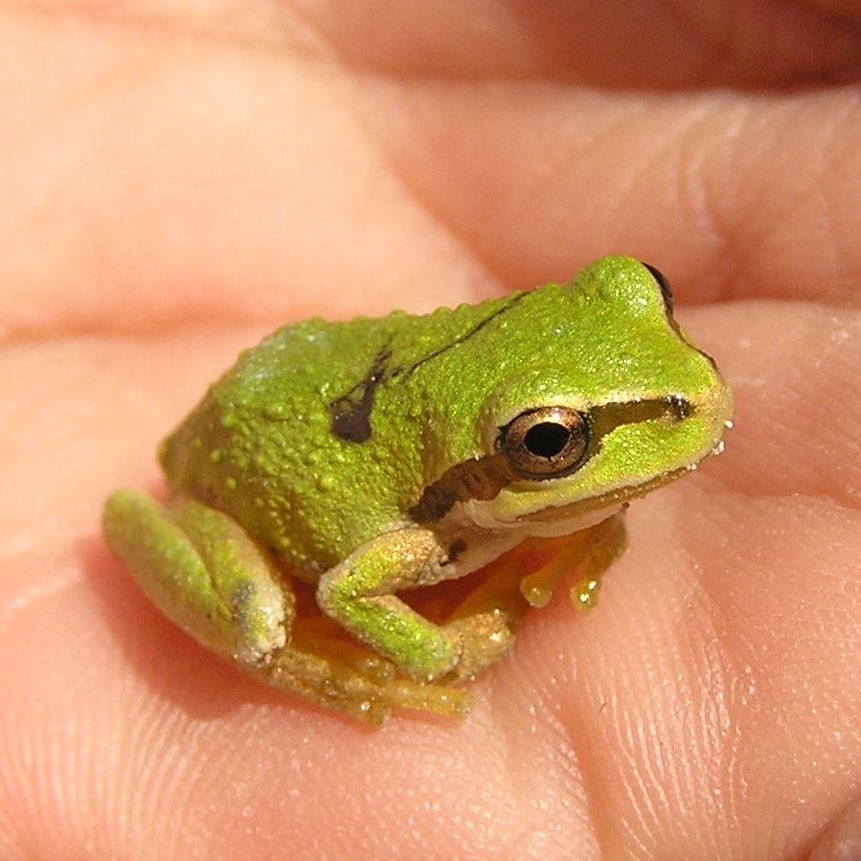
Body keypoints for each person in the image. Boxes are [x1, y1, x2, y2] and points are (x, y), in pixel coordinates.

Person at [2, 3, 860, 858]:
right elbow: (347, 590)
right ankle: (296, 657)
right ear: (489, 469)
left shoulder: (603, 408)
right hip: (240, 479)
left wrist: (586, 520)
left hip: (331, 381)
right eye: (551, 441)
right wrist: (442, 649)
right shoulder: (421, 535)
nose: (693, 388)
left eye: (647, 296)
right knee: (260, 620)